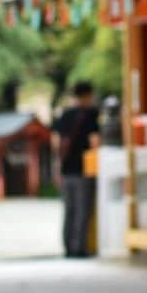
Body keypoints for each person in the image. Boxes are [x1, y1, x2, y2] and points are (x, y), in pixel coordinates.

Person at [52, 81, 100, 257]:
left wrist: (57, 168)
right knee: (82, 210)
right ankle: (79, 247)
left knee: (69, 210)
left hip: (66, 169)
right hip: (83, 169)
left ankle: (67, 247)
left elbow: (56, 143)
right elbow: (94, 142)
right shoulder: (92, 114)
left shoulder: (65, 114)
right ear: (88, 95)